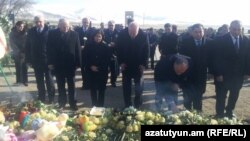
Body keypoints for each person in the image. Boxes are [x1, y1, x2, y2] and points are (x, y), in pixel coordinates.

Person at [213, 20, 250, 118]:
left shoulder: (246, 40)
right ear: (229, 29)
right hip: (223, 75)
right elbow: (216, 58)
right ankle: (220, 113)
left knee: (234, 95)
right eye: (234, 29)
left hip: (238, 75)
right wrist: (218, 74)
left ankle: (229, 111)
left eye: (239, 29)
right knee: (221, 96)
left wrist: (247, 72)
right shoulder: (220, 40)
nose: (237, 32)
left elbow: (248, 57)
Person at [47, 19, 81, 110]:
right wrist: (50, 62)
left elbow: (77, 49)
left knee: (72, 85)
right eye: (63, 26)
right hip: (58, 64)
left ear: (69, 25)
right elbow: (49, 49)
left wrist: (78, 63)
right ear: (59, 26)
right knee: (60, 85)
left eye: (67, 26)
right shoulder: (52, 34)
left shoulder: (75, 34)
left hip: (70, 64)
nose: (65, 28)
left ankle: (72, 103)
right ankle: (62, 102)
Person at [179, 23, 213, 111]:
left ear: (203, 31)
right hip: (188, 75)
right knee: (187, 99)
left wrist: (211, 72)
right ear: (192, 32)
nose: (198, 34)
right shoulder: (185, 42)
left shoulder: (210, 42)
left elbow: (212, 59)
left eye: (200, 32)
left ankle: (197, 116)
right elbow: (181, 58)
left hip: (201, 76)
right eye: (196, 32)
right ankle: (187, 116)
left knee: (198, 99)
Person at [117, 22, 149, 108]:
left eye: (134, 33)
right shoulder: (122, 34)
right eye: (130, 32)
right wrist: (121, 63)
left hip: (138, 65)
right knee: (126, 87)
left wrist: (143, 64)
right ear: (128, 29)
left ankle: (137, 104)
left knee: (139, 87)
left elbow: (146, 51)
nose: (132, 35)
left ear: (138, 30)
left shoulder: (144, 35)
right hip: (126, 64)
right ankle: (127, 104)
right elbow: (118, 49)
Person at [25, 16, 55, 103]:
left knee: (49, 81)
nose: (38, 23)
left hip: (48, 61)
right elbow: (27, 46)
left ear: (44, 21)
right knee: (39, 81)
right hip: (36, 61)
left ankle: (51, 98)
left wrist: (52, 61)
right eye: (36, 22)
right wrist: (28, 60)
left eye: (40, 21)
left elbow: (54, 48)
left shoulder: (50, 31)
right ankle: (41, 98)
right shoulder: (31, 31)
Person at [84, 29, 111, 107]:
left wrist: (99, 67)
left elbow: (107, 59)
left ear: (102, 37)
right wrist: (91, 66)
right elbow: (85, 58)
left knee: (102, 89)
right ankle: (94, 105)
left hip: (102, 71)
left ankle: (100, 106)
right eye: (96, 36)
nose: (98, 38)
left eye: (99, 36)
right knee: (93, 89)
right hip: (91, 71)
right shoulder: (88, 46)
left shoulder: (106, 47)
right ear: (93, 37)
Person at [75, 17, 95, 90]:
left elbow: (94, 41)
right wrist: (79, 46)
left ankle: (91, 84)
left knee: (89, 68)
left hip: (90, 53)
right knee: (83, 69)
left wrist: (86, 46)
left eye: (87, 22)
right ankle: (85, 84)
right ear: (82, 22)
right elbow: (76, 40)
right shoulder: (78, 30)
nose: (85, 23)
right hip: (81, 53)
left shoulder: (93, 30)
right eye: (84, 22)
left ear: (89, 22)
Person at [9, 21, 28, 86]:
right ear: (16, 26)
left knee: (24, 67)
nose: (21, 27)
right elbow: (12, 43)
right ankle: (18, 81)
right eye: (20, 26)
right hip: (16, 52)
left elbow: (27, 42)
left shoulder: (25, 33)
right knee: (18, 67)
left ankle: (25, 81)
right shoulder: (12, 33)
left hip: (24, 52)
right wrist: (17, 51)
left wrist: (24, 51)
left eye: (22, 26)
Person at [104, 20, 120, 87]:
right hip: (106, 53)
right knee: (105, 69)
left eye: (112, 25)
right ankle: (104, 81)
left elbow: (120, 43)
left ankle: (113, 81)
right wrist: (107, 44)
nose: (111, 26)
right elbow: (102, 40)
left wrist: (115, 44)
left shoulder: (118, 33)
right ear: (108, 25)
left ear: (114, 25)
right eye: (109, 25)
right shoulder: (104, 32)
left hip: (114, 54)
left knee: (114, 69)